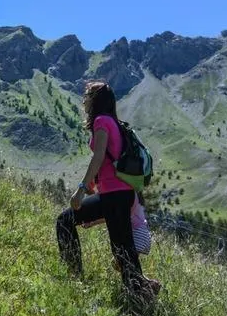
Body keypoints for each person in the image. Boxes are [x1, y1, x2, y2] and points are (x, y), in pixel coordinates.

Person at [55, 81, 160, 299]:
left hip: (115, 194)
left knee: (118, 247)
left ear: (96, 100)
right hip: (119, 193)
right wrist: (95, 183)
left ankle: (77, 275)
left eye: (87, 95)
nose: (84, 99)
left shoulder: (102, 121)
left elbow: (99, 155)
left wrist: (82, 189)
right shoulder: (113, 121)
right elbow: (108, 159)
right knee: (123, 248)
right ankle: (143, 289)